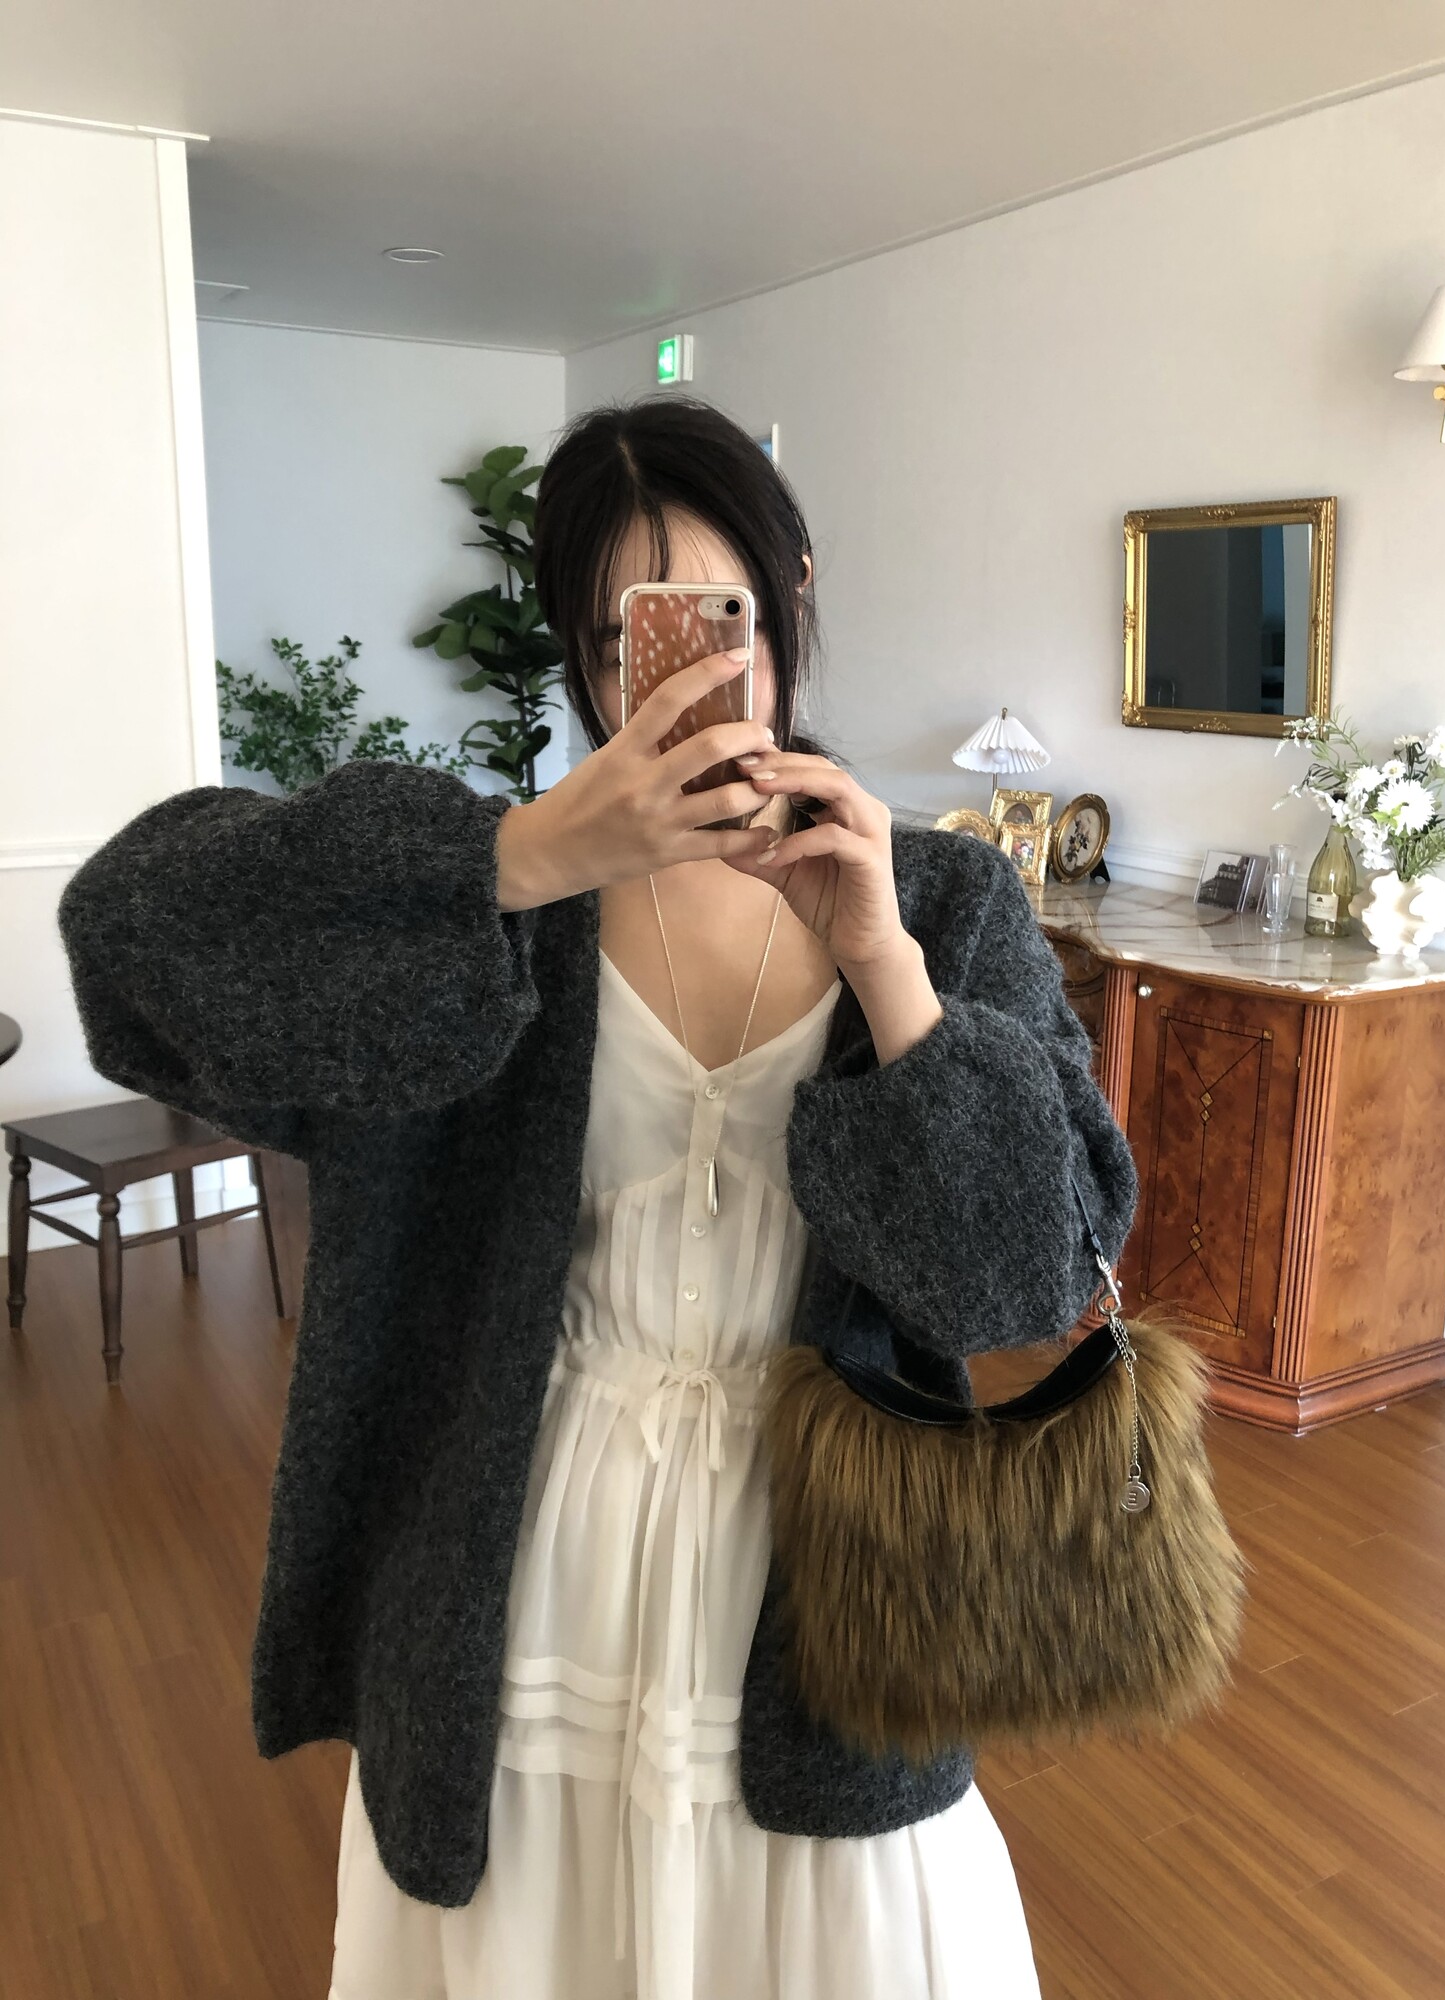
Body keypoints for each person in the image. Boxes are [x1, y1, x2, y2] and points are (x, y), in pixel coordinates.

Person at [57, 397, 1139, 2000]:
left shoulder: (946, 897)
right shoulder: (498, 894)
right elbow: (125, 942)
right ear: (583, 647)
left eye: (725, 616)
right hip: (520, 1568)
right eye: (637, 634)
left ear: (791, 596)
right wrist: (509, 862)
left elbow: (1026, 1280)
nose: (691, 674)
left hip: (832, 1604)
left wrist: (884, 967)